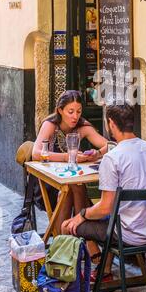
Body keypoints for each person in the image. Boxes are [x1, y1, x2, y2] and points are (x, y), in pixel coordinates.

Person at [61, 102, 146, 282]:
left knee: (68, 225)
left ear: (111, 124)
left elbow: (105, 208)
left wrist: (81, 214)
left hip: (128, 235)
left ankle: (67, 287)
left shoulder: (113, 158)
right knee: (112, 217)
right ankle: (104, 271)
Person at [32, 90, 108, 237]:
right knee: (70, 189)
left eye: (78, 111)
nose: (75, 116)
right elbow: (36, 153)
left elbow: (111, 145)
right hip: (49, 184)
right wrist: (68, 156)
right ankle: (85, 240)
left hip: (71, 182)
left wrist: (97, 154)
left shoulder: (83, 127)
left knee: (72, 187)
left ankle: (64, 243)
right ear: (60, 110)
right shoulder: (50, 125)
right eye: (70, 111)